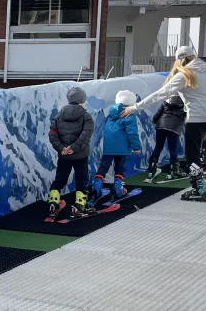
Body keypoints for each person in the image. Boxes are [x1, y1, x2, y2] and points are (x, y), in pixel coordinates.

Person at [123, 45, 206, 201]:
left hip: (197, 117)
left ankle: (198, 189)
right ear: (194, 56)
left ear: (179, 60)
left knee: (193, 152)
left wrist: (135, 108)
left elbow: (160, 94)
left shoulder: (184, 75)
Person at [46, 87, 95, 218]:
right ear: (82, 100)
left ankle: (53, 202)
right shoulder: (86, 117)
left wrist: (62, 148)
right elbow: (85, 136)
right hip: (81, 155)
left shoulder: (58, 116)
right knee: (81, 179)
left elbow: (53, 135)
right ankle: (80, 206)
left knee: (60, 178)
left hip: (63, 156)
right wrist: (73, 147)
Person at [93, 90, 141, 204]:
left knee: (103, 166)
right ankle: (118, 189)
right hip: (122, 146)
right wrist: (136, 147)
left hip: (108, 145)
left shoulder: (112, 112)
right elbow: (132, 133)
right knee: (120, 166)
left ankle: (96, 188)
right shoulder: (130, 114)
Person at [147, 94, 186, 180]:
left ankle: (152, 168)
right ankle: (174, 170)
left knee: (158, 146)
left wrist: (155, 121)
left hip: (161, 126)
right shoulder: (185, 103)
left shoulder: (166, 101)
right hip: (174, 128)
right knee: (172, 149)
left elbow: (158, 114)